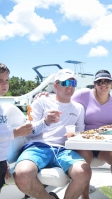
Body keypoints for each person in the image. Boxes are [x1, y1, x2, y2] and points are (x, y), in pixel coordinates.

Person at [14, 69, 91, 199]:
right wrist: (45, 121)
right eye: (65, 82)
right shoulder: (41, 101)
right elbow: (29, 131)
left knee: (84, 172)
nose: (70, 87)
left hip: (63, 150)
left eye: (73, 83)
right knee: (22, 174)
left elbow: (80, 132)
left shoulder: (79, 108)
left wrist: (75, 136)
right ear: (55, 86)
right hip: (37, 147)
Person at [72, 70, 112, 184]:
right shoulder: (83, 95)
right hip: (86, 142)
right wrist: (45, 97)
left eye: (107, 81)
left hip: (106, 143)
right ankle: (84, 196)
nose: (103, 84)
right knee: (82, 161)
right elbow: (64, 102)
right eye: (99, 82)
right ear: (94, 84)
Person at [0, 63, 33, 191]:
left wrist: (4, 161)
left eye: (7, 80)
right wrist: (16, 133)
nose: (5, 84)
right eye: (0, 80)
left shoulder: (2, 107)